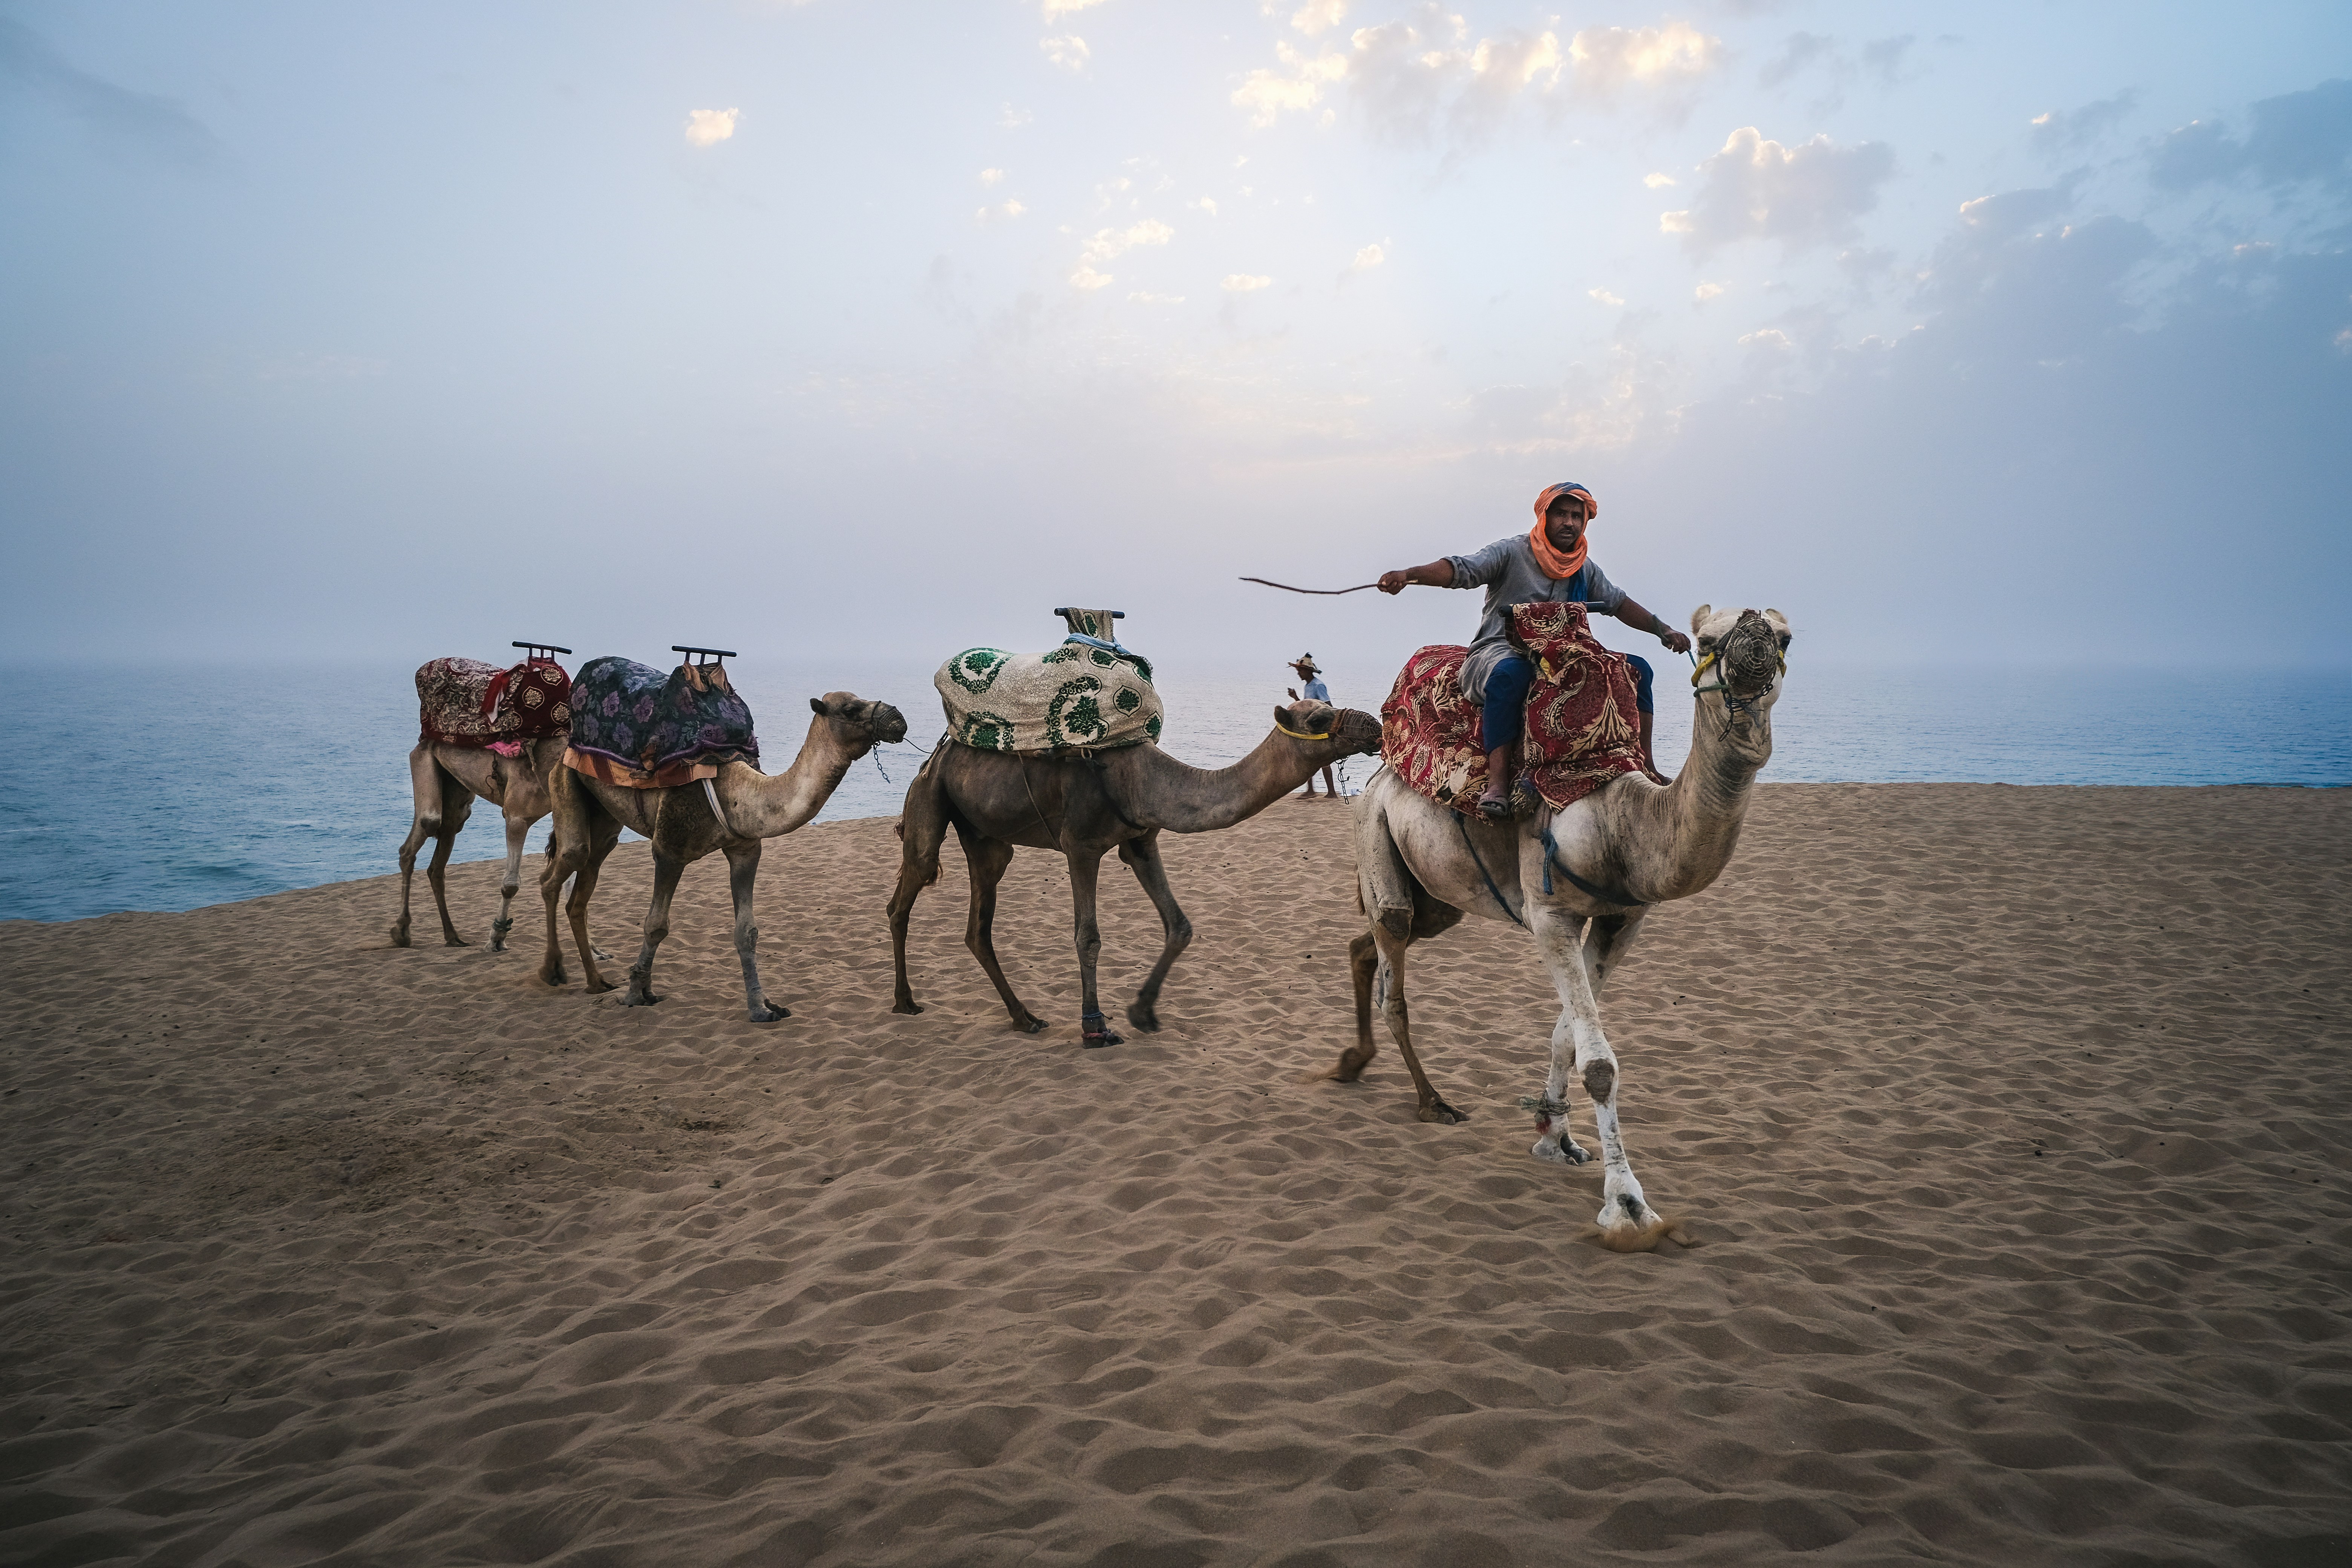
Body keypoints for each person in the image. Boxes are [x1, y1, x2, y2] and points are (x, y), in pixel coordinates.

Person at [1377, 481, 1690, 819]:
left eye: (1576, 516)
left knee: (1639, 670)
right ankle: (1497, 784)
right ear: (1544, 516)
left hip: (1564, 654)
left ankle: (1646, 765)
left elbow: (1618, 603)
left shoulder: (1584, 568)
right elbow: (1461, 569)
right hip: (1500, 648)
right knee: (1512, 674)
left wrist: (1663, 630)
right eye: (1561, 514)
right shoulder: (1512, 552)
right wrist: (1409, 575)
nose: (1569, 522)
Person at [1285, 654, 1340, 798]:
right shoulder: (1309, 686)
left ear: (1308, 671)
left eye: (1300, 671)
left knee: (1322, 760)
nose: (1298, 674)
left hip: (1319, 726)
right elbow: (1308, 706)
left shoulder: (1318, 686)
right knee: (1309, 758)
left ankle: (1330, 792)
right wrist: (1296, 698)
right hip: (1312, 726)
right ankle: (1313, 790)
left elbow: (1328, 706)